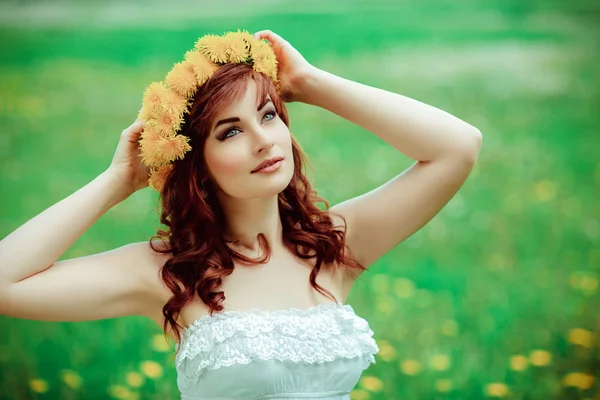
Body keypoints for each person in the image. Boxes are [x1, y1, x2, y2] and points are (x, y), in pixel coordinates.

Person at [0, 29, 482, 399]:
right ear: (199, 166)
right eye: (230, 132)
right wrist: (118, 180)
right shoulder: (168, 272)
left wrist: (308, 82)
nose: (263, 140)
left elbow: (458, 147)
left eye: (268, 115)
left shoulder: (332, 243)